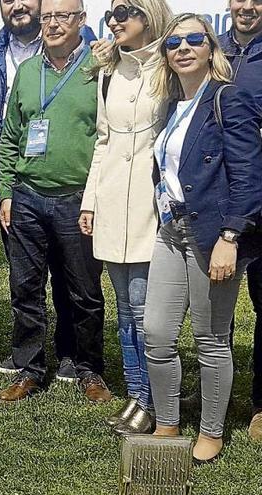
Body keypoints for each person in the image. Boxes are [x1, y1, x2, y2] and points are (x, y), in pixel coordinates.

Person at [144, 13, 262, 463]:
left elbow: (250, 175)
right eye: (174, 42)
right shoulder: (172, 105)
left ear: (212, 48)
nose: (183, 48)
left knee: (211, 337)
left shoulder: (228, 99)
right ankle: (168, 421)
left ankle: (212, 430)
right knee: (156, 332)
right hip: (171, 230)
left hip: (213, 233)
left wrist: (231, 236)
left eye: (195, 39)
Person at [0, 0, 109, 404]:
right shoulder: (28, 72)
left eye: (64, 16)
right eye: (49, 17)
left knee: (84, 291)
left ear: (82, 21)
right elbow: (10, 137)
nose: (54, 24)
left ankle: (88, 368)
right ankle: (29, 368)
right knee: (25, 288)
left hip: (76, 200)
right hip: (27, 197)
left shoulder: (99, 70)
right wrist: (6, 192)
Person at [78, 0, 172, 435]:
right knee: (124, 310)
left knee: (144, 309)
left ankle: (154, 400)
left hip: (155, 207)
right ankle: (138, 396)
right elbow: (102, 141)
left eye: (125, 12)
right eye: (112, 14)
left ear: (149, 14)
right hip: (113, 202)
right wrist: (90, 201)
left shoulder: (169, 68)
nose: (114, 21)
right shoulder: (109, 72)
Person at [220, 0, 262, 443]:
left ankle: (261, 404)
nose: (247, 6)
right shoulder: (215, 50)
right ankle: (219, 392)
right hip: (221, 199)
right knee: (218, 310)